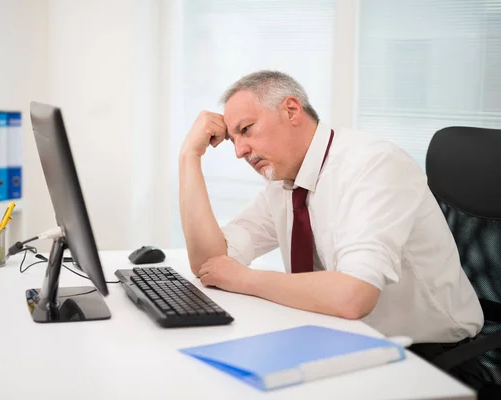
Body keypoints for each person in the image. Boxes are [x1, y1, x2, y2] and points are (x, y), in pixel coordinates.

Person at [178, 70, 484, 388]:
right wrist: (189, 156)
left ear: (291, 110)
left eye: (246, 130)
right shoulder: (283, 182)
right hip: (342, 345)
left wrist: (244, 278)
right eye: (233, 138)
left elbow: (353, 296)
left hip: (428, 361)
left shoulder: (373, 165)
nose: (239, 150)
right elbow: (211, 264)